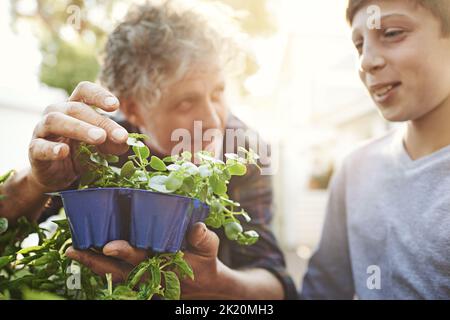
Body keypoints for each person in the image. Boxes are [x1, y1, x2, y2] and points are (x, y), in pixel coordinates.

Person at [0, 1, 296, 299]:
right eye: (186, 102)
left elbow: (276, 285)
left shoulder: (244, 150)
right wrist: (37, 183)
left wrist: (215, 284)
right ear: (132, 108)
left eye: (218, 92)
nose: (213, 120)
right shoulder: (93, 146)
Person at [300, 0, 450, 299]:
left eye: (393, 33)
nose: (366, 61)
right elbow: (322, 290)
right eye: (359, 45)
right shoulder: (355, 169)